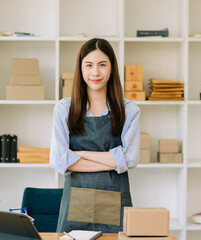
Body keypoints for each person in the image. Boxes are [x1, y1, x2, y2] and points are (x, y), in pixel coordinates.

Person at [50, 38, 140, 233]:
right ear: (81, 69)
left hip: (115, 202)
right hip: (76, 203)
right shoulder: (64, 109)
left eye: (102, 65)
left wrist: (81, 154)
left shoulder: (129, 111)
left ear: (112, 68)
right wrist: (114, 159)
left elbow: (130, 159)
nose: (95, 72)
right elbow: (59, 161)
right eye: (89, 65)